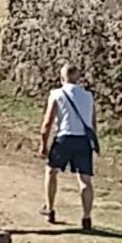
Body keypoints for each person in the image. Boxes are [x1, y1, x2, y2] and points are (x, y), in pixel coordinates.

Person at [38, 62, 98, 231]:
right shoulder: (88, 96)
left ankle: (50, 209)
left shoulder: (57, 94)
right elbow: (92, 124)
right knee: (85, 179)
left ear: (62, 77)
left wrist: (43, 143)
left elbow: (48, 122)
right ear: (78, 77)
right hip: (83, 140)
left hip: (64, 138)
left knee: (51, 171)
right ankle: (86, 217)